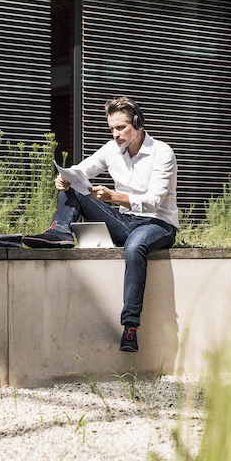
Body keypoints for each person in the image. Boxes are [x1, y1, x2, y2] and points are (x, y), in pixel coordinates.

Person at [23, 97, 179, 353]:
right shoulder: (110, 150)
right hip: (126, 222)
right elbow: (80, 171)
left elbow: (152, 203)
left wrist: (113, 197)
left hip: (158, 225)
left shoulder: (162, 153)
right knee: (72, 184)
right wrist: (63, 179)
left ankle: (130, 326)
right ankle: (60, 231)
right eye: (112, 129)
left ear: (137, 123)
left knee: (134, 246)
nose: (116, 134)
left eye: (121, 128)